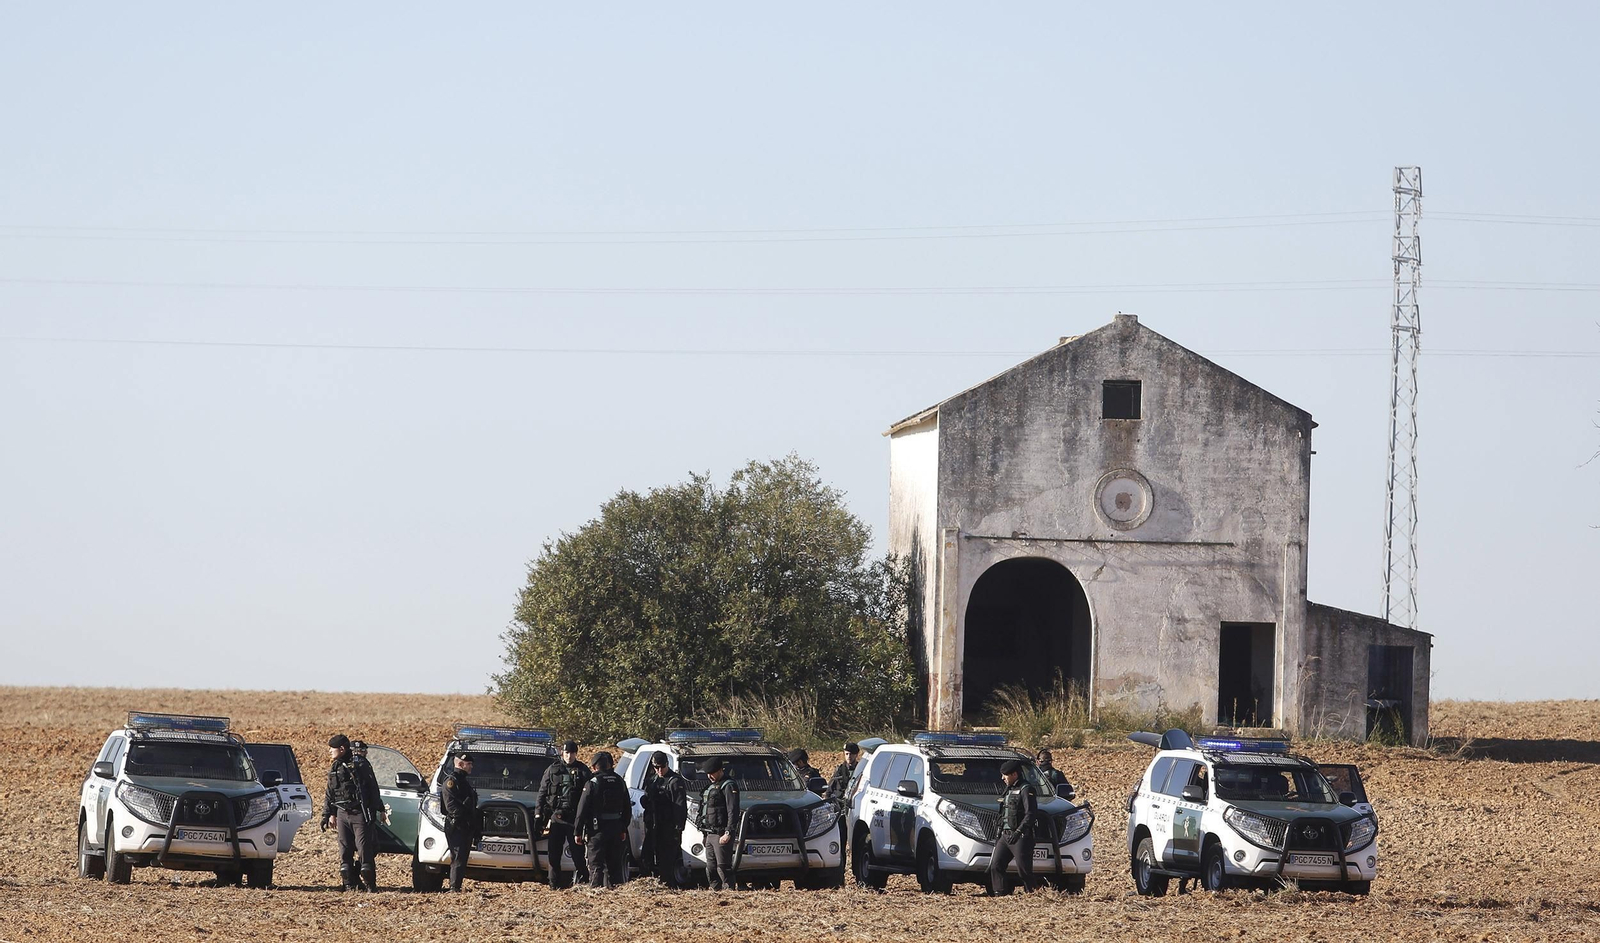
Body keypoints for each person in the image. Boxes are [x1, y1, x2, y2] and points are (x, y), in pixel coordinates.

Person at [321, 733, 383, 892]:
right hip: (342, 814)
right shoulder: (335, 767)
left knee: (365, 853)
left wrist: (380, 809)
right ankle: (349, 886)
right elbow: (330, 793)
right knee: (345, 852)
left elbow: (373, 788)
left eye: (332, 749)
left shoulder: (360, 765)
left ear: (342, 749)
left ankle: (370, 886)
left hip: (359, 813)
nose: (330, 752)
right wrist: (328, 815)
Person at [537, 740, 592, 888]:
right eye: (567, 753)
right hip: (556, 817)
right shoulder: (552, 769)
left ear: (576, 754)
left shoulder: (583, 770)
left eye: (572, 753)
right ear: (562, 753)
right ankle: (554, 885)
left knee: (577, 854)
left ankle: (584, 883)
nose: (569, 756)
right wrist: (538, 814)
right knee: (554, 855)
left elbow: (590, 795)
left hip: (574, 818)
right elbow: (542, 792)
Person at [574, 752, 632, 887]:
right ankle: (616, 896)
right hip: (616, 829)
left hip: (597, 831)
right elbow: (627, 808)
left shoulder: (592, 783)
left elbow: (581, 810)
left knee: (596, 867)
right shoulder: (620, 781)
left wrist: (577, 831)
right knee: (615, 867)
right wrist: (623, 828)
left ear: (595, 767)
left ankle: (597, 895)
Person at [988, 759, 1041, 895]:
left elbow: (1031, 813)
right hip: (1005, 836)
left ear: (1014, 774)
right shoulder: (1009, 789)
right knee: (996, 866)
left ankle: (1033, 894)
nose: (1002, 778)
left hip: (1020, 837)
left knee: (1024, 871)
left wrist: (1018, 832)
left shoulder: (1026, 789)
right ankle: (1000, 894)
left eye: (1005, 775)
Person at [640, 752, 688, 888]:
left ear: (667, 764)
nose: (660, 770)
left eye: (662, 767)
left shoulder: (674, 781)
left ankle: (668, 887)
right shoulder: (653, 780)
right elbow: (647, 799)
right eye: (656, 767)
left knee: (666, 862)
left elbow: (680, 807)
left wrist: (678, 829)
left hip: (668, 827)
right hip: (653, 826)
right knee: (646, 859)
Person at [439, 752, 481, 892]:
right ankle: (454, 888)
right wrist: (462, 818)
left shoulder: (463, 781)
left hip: (466, 825)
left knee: (462, 857)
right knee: (457, 856)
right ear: (460, 764)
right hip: (457, 825)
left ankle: (456, 886)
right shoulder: (452, 781)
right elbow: (450, 806)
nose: (471, 767)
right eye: (469, 764)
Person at [697, 757, 740, 890]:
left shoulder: (728, 786)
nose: (710, 776)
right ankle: (714, 891)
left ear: (720, 770)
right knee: (710, 867)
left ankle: (729, 891)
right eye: (708, 774)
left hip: (722, 833)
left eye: (712, 773)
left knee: (723, 867)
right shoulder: (710, 787)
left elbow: (733, 810)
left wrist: (728, 832)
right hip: (710, 833)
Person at [825, 742, 861, 808]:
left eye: (851, 754)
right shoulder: (839, 770)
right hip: (838, 805)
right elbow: (830, 789)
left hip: (853, 805)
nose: (848, 756)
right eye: (846, 754)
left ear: (856, 755)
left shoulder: (860, 770)